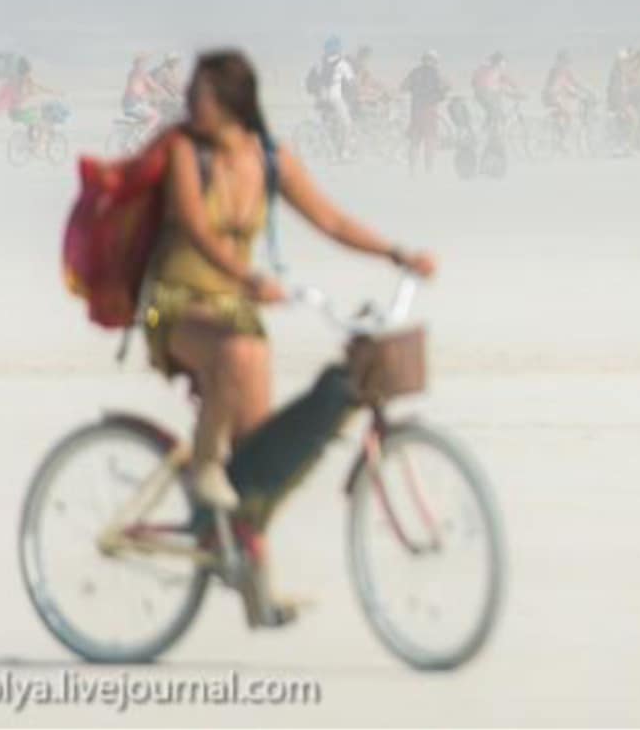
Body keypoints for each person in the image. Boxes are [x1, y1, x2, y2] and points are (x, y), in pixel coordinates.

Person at [140, 50, 436, 621]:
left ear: (232, 101)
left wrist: (398, 254)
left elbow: (332, 221)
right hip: (173, 309)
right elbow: (197, 230)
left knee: (262, 461)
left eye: (201, 93)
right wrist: (245, 275)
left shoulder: (268, 159)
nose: (189, 102)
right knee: (242, 353)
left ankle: (255, 585)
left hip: (234, 313)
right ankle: (204, 471)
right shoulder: (184, 151)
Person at [400, 51, 448, 174]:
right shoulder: (436, 73)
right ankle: (429, 171)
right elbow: (444, 89)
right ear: (434, 61)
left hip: (416, 110)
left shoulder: (415, 72)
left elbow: (403, 87)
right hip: (430, 111)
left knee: (415, 142)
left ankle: (412, 171)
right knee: (430, 142)